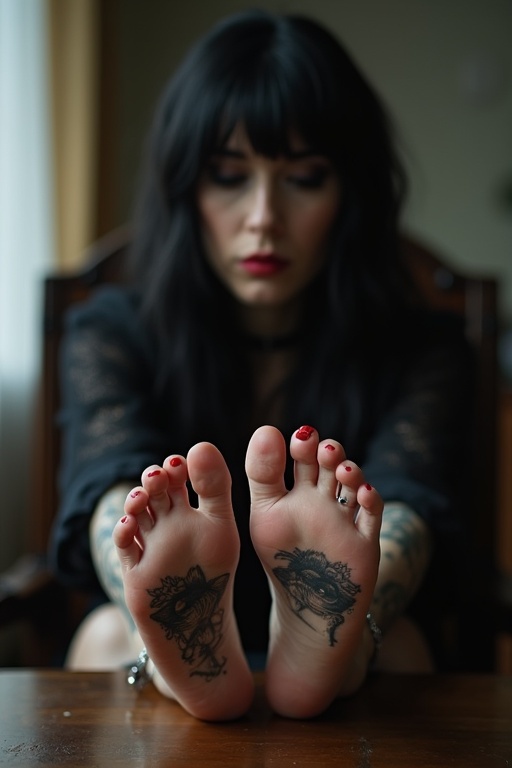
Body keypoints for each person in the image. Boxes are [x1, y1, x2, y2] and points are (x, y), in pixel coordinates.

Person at [49, 9, 472, 721]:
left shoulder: (421, 347)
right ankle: (186, 640)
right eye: (227, 176)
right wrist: (145, 593)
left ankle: (327, 643)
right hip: (153, 639)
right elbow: (107, 486)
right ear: (186, 189)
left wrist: (348, 619)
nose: (263, 216)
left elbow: (410, 508)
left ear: (351, 196)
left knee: (401, 644)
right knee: (100, 633)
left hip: (356, 639)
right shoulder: (112, 332)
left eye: (304, 178)